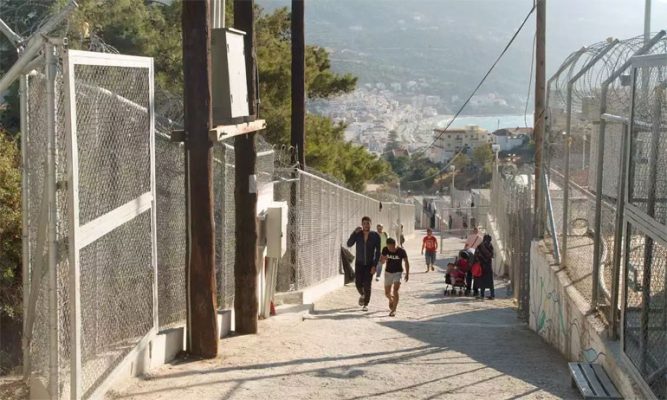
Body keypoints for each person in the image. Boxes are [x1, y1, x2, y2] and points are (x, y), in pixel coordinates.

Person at [347, 216, 381, 311]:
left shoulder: (375, 236)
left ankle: (366, 304)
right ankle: (363, 294)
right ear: (362, 224)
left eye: (368, 223)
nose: (366, 225)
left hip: (370, 264)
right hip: (359, 263)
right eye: (364, 223)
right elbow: (349, 244)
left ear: (371, 224)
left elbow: (378, 252)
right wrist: (354, 232)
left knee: (367, 284)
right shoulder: (358, 234)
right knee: (358, 283)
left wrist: (374, 265)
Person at [381, 238, 409, 317]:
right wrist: (383, 259)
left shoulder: (401, 251)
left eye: (392, 247)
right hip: (388, 272)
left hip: (398, 272)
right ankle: (391, 299)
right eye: (389, 247)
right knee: (387, 293)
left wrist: (407, 274)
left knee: (395, 290)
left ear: (395, 245)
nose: (391, 249)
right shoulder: (385, 249)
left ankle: (394, 310)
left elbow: (406, 262)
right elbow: (382, 261)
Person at [476, 234, 495, 300]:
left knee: (482, 281)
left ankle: (482, 295)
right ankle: (492, 295)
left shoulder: (480, 246)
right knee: (490, 281)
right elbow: (492, 255)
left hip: (482, 266)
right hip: (488, 266)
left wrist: (480, 260)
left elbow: (477, 254)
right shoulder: (490, 246)